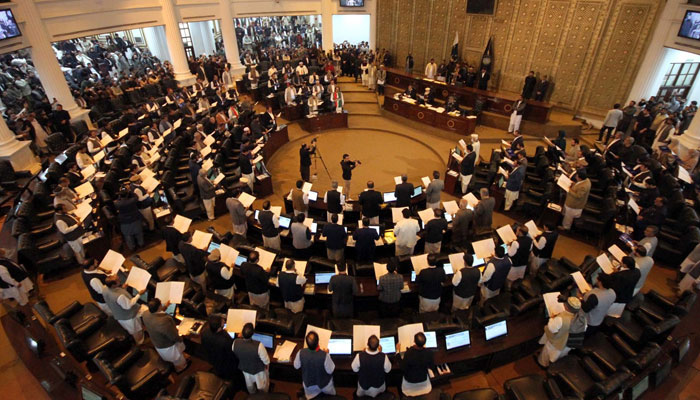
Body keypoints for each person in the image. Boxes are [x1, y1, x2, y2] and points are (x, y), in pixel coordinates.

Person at [142, 298, 188, 372]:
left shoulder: (145, 314)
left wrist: (166, 306)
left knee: (173, 359)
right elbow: (174, 336)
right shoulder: (163, 321)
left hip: (157, 343)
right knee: (178, 359)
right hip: (168, 346)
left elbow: (156, 313)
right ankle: (182, 368)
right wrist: (180, 338)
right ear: (159, 306)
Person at [537, 297, 582, 367]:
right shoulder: (581, 319)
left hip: (556, 343)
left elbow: (552, 329)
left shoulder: (561, 319)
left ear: (566, 306)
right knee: (559, 357)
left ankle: (543, 365)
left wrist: (552, 319)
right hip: (568, 345)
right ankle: (553, 367)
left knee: (547, 354)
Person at [294, 331, 336, 398]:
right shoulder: (324, 355)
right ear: (318, 342)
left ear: (307, 343)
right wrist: (327, 354)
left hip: (309, 387)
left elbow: (296, 366)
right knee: (331, 394)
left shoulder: (300, 352)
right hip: (324, 386)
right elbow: (330, 370)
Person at [233, 322, 270, 393]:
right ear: (252, 334)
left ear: (242, 333)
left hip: (245, 369)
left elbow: (236, 353)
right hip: (258, 370)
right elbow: (266, 361)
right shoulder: (259, 345)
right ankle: (264, 395)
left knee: (249, 385)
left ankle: (252, 395)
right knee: (262, 386)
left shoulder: (235, 343)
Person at [201, 315, 237, 380]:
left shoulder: (204, 332)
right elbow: (231, 352)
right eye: (222, 321)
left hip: (213, 358)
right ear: (219, 327)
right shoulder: (225, 340)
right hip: (225, 362)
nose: (224, 321)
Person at [399, 332, 434, 396]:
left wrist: (398, 351)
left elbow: (402, 368)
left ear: (414, 341)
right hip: (423, 378)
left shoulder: (408, 353)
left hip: (410, 380)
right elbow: (432, 366)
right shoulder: (429, 353)